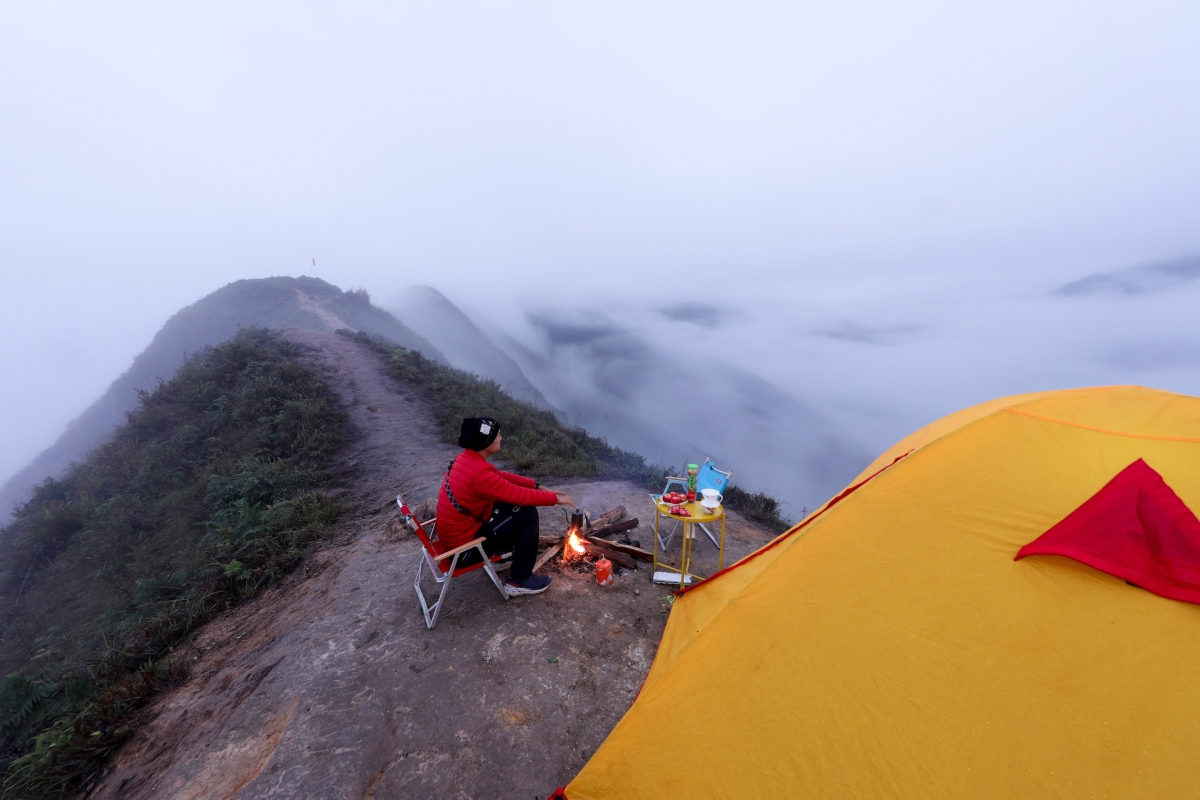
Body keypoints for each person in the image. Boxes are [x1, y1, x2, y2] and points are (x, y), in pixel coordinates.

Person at [437, 417, 576, 595]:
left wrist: (537, 486)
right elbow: (519, 495)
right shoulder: (479, 474)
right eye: (498, 435)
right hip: (464, 553)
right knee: (526, 512)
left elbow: (502, 478)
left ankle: (499, 555)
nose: (501, 438)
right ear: (486, 443)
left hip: (456, 541)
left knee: (506, 501)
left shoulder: (466, 460)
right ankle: (519, 580)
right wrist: (554, 499)